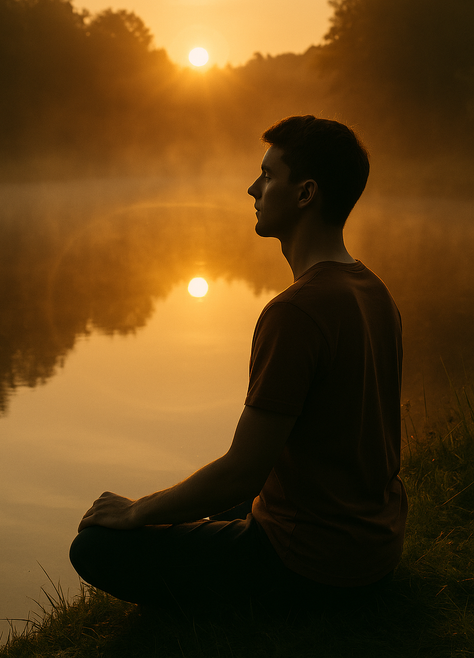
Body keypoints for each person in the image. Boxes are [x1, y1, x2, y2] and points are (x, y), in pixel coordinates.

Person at [70, 114, 407, 613]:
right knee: (193, 507)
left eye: (269, 175)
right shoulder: (372, 290)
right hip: (374, 543)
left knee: (96, 546)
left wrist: (137, 512)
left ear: (305, 193)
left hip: (314, 563)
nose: (252, 188)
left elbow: (241, 475)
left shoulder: (296, 312)